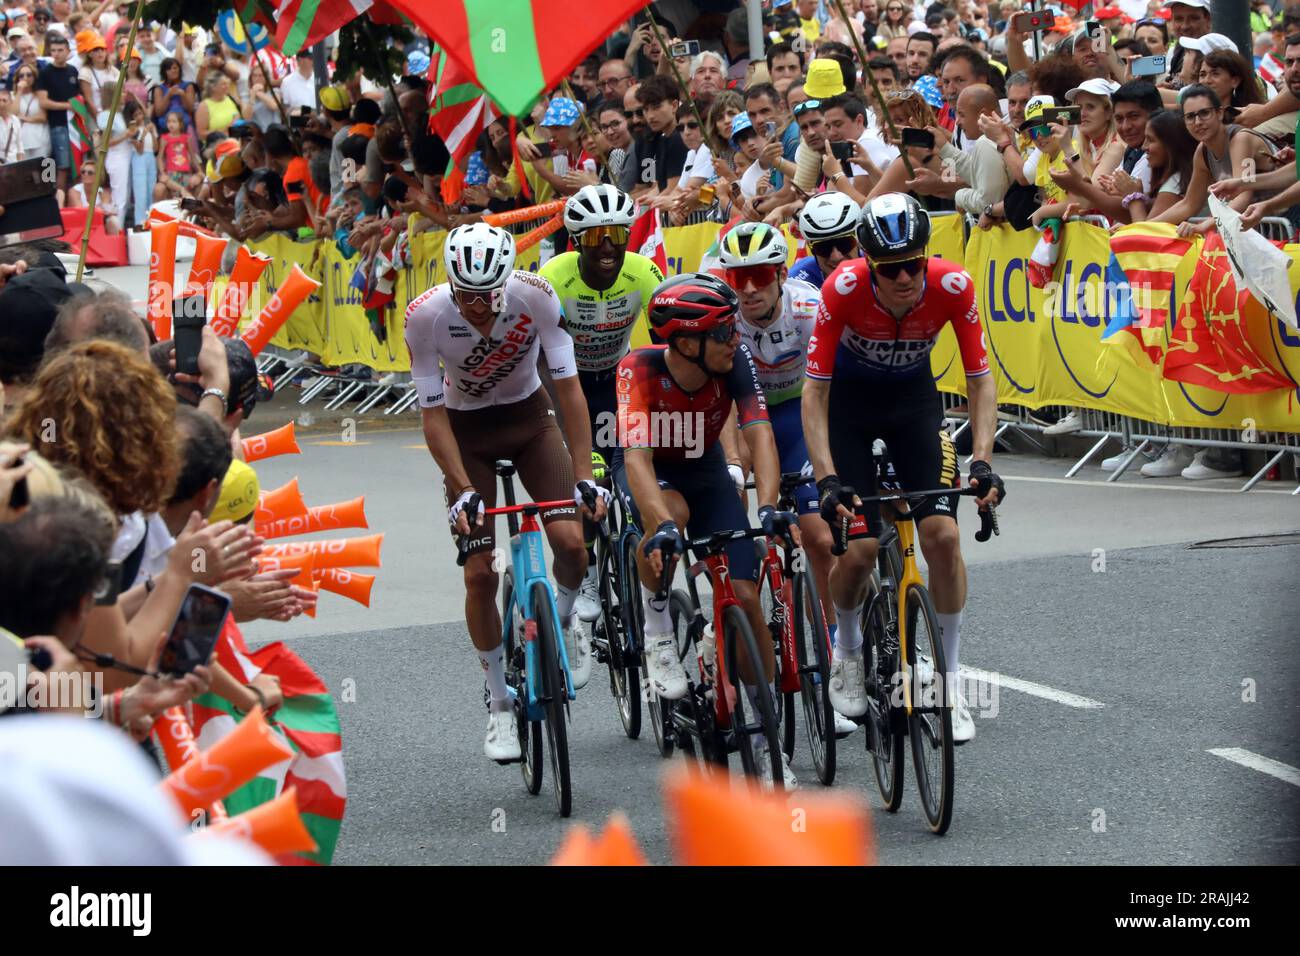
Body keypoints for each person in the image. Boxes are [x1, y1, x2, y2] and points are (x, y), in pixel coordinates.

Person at [803, 193, 1003, 744]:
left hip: (915, 406)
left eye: (915, 263)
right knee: (862, 549)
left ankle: (950, 683)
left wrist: (982, 460)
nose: (906, 278)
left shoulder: (952, 285)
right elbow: (814, 394)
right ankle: (846, 650)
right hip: (849, 409)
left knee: (942, 536)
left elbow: (980, 379)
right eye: (891, 269)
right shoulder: (841, 288)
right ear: (869, 264)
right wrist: (826, 478)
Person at [404, 223, 603, 762]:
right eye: (464, 295)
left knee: (571, 543)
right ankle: (497, 704)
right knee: (478, 573)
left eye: (485, 296)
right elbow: (432, 414)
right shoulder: (425, 315)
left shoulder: (534, 295)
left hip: (529, 420)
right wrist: (465, 489)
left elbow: (568, 388)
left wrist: (583, 472)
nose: (474, 306)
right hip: (466, 433)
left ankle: (563, 621)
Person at [615, 271, 799, 789]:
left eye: (733, 330)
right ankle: (656, 629)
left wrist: (766, 508)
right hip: (655, 473)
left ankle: (767, 741)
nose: (735, 340)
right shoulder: (638, 369)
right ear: (685, 341)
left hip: (706, 469)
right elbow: (636, 460)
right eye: (723, 333)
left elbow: (759, 435)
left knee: (744, 594)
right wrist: (664, 526)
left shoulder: (733, 363)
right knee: (669, 518)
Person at [717, 223, 846, 737]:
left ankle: (839, 654)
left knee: (817, 535)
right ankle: (730, 626)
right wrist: (732, 462)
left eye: (758, 276)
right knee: (735, 522)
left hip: (799, 415)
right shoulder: (722, 318)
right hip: (744, 418)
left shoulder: (807, 305)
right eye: (737, 276)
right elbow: (721, 400)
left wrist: (825, 455)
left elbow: (830, 386)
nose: (748, 288)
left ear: (778, 273)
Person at [539, 184, 665, 661]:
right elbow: (538, 359)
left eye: (616, 233)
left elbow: (664, 345)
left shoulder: (643, 271)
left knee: (633, 485)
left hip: (619, 381)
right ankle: (587, 571)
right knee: (587, 481)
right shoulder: (553, 277)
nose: (609, 245)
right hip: (568, 387)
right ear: (576, 242)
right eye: (596, 237)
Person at [34, 31, 79, 194]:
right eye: (53, 50)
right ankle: (58, 203)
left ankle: (74, 201)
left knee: (76, 165)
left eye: (60, 50)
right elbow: (43, 101)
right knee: (61, 166)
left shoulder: (73, 71)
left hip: (76, 125)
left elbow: (78, 97)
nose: (57, 54)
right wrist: (67, 106)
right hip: (57, 125)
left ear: (68, 50)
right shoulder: (45, 73)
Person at [791, 190, 861, 288]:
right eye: (823, 247)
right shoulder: (798, 282)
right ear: (810, 246)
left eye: (844, 244)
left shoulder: (879, 270)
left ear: (859, 239)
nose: (836, 257)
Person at [12, 63, 49, 160]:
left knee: (41, 172)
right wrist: (19, 91)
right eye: (21, 75)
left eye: (29, 75)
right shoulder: (13, 96)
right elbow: (13, 114)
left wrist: (24, 118)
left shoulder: (40, 94)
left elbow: (43, 117)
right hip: (20, 142)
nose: (25, 78)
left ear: (34, 77)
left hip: (40, 140)